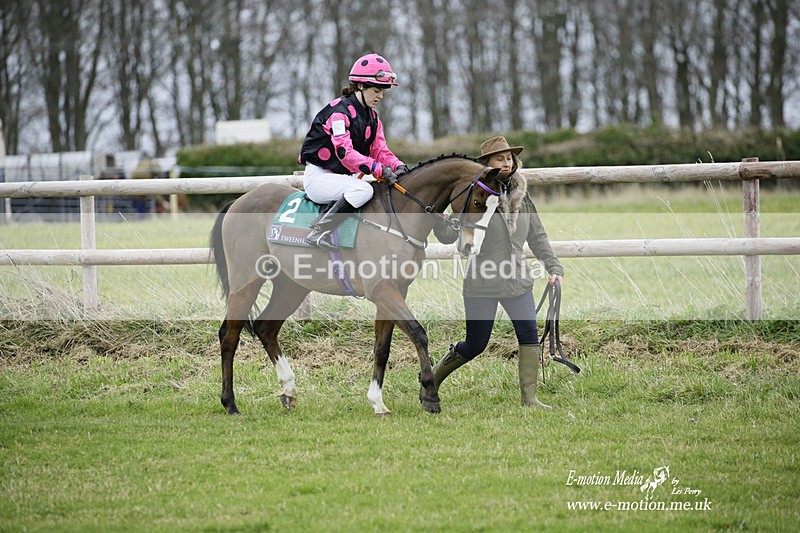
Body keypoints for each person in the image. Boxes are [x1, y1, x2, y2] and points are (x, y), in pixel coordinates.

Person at [432, 136, 564, 408]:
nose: (506, 163)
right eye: (499, 159)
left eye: (509, 158)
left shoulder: (522, 196)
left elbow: (537, 236)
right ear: (487, 164)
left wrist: (554, 267)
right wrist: (439, 221)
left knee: (529, 337)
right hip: (482, 281)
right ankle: (430, 380)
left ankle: (530, 398)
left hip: (517, 280)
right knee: (475, 344)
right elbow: (449, 236)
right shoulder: (475, 194)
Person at [299, 53, 407, 249]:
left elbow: (380, 150)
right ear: (360, 86)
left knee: (380, 188)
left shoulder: (373, 118)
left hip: (346, 176)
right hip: (319, 177)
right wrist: (378, 169)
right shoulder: (339, 113)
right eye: (376, 91)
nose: (380, 96)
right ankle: (319, 231)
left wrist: (398, 166)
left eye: (383, 91)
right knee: (364, 190)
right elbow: (345, 153)